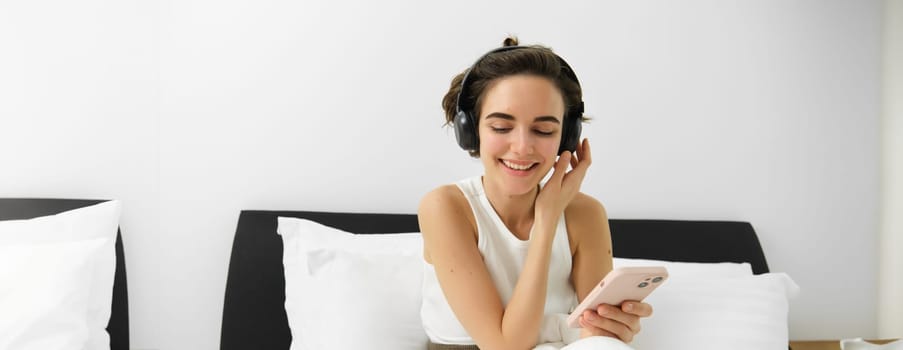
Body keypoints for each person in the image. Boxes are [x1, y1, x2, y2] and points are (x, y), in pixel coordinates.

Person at [418, 37, 654, 350]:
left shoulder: (585, 214)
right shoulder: (445, 207)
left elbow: (596, 334)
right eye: (501, 127)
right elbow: (505, 347)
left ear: (566, 137)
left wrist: (615, 327)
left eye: (543, 130)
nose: (522, 147)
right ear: (471, 130)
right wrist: (546, 219)